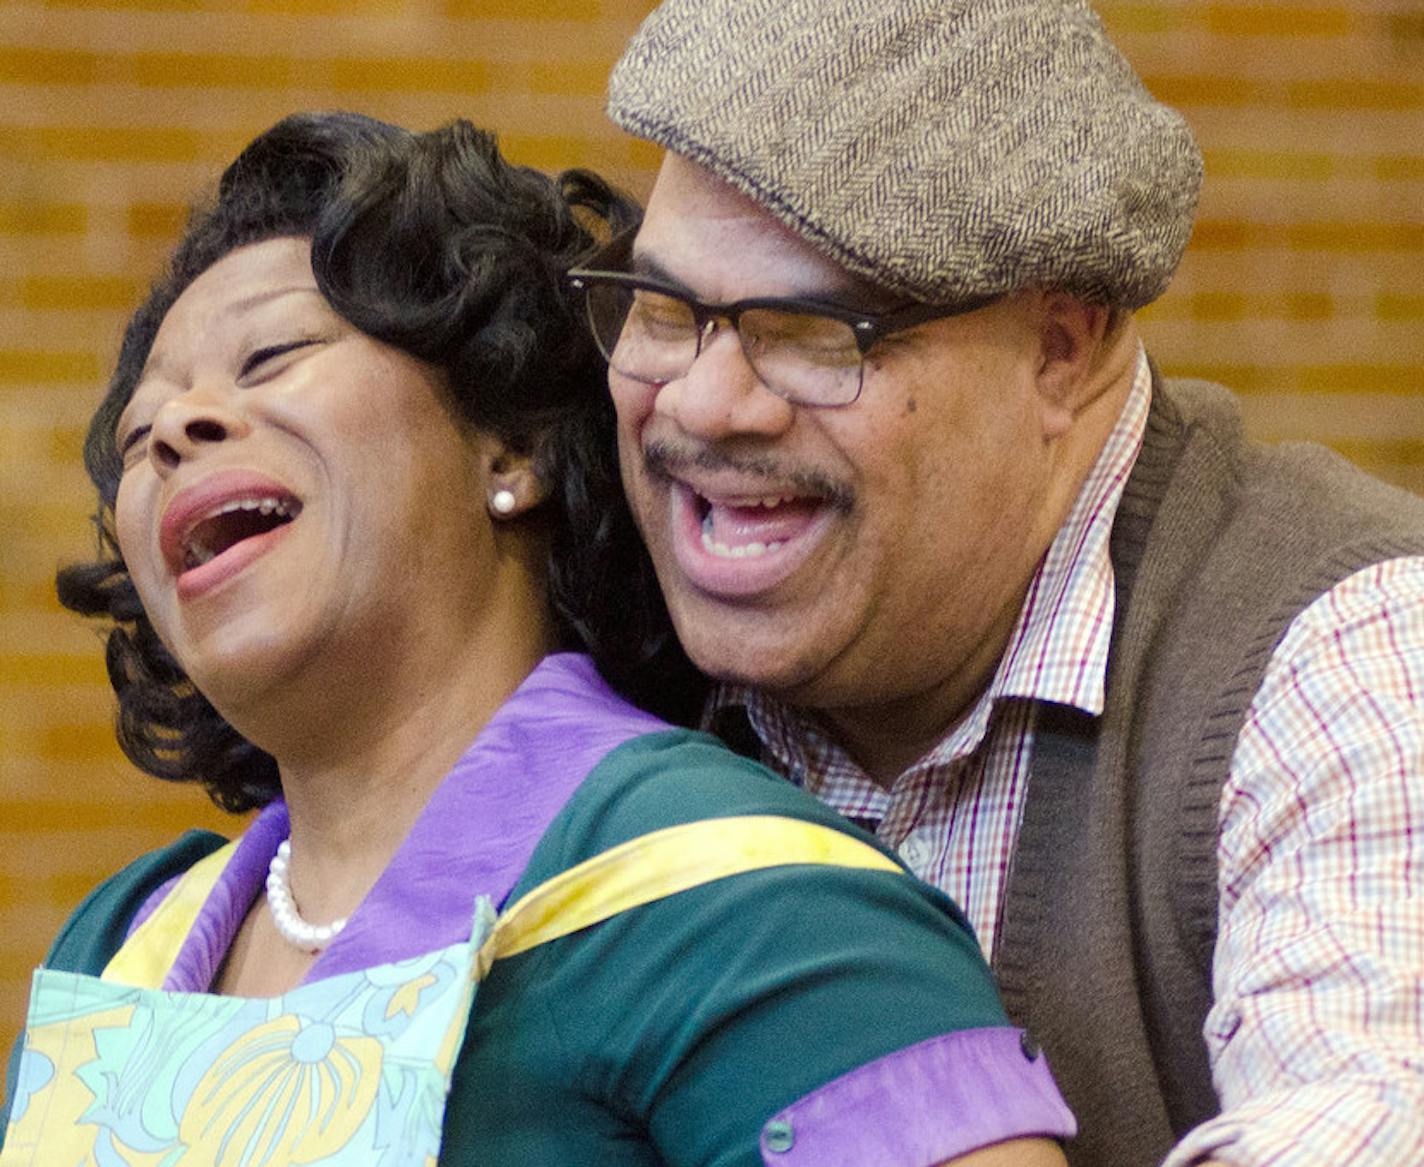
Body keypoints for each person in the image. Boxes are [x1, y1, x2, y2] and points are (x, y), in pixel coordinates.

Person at [0, 110, 1076, 1166]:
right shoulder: (122, 943)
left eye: (271, 357)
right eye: (143, 436)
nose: (181, 432)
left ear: (510, 443)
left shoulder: (724, 889)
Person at [570, 1, 1424, 1165]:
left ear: (1058, 351)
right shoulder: (593, 633)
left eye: (814, 330)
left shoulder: (1350, 648)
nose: (706, 403)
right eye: (667, 310)